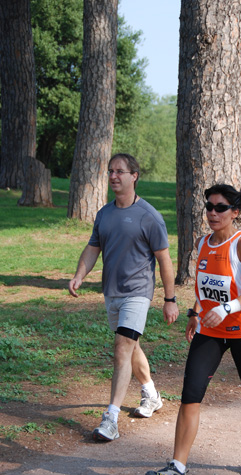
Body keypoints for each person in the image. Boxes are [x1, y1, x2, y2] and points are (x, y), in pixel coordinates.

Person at [145, 183, 241, 475]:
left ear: (236, 213)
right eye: (209, 207)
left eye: (220, 208)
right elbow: (205, 288)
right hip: (209, 330)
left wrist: (228, 308)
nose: (212, 213)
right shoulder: (203, 243)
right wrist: (194, 312)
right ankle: (177, 468)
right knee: (191, 394)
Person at [68, 153, 179, 441]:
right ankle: (152, 394)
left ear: (134, 176)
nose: (114, 176)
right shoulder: (104, 214)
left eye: (120, 171)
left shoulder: (149, 216)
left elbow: (164, 261)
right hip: (112, 292)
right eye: (110, 171)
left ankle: (111, 419)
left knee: (122, 347)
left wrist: (170, 299)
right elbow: (93, 248)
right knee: (130, 346)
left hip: (137, 292)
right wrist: (80, 274)